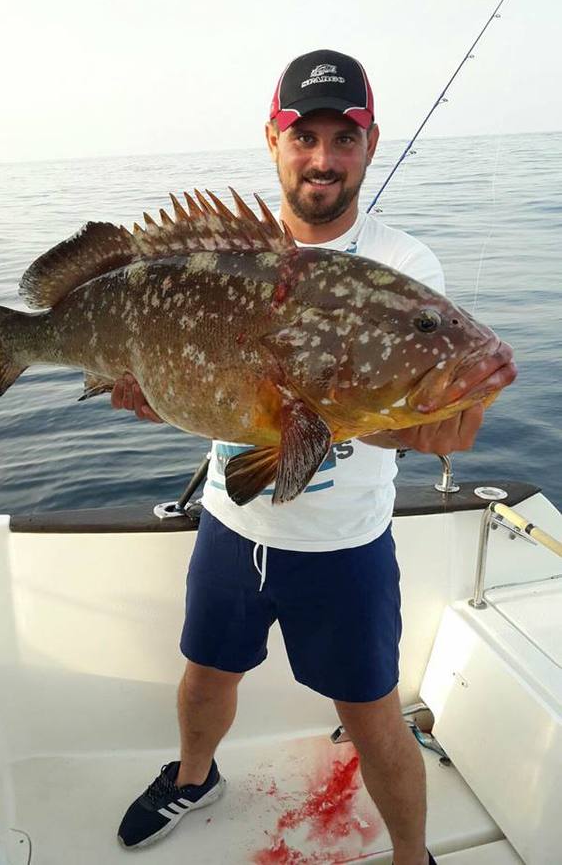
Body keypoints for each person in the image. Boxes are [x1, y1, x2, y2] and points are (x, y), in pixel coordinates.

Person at [114, 50, 516, 864]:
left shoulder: (403, 269)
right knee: (202, 678)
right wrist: (156, 395)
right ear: (273, 141)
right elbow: (214, 396)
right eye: (305, 138)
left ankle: (411, 855)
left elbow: (414, 406)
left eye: (344, 137)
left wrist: (433, 420)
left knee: (372, 716)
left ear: (370, 146)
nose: (323, 158)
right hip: (232, 526)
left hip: (344, 546)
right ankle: (194, 777)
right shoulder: (219, 259)